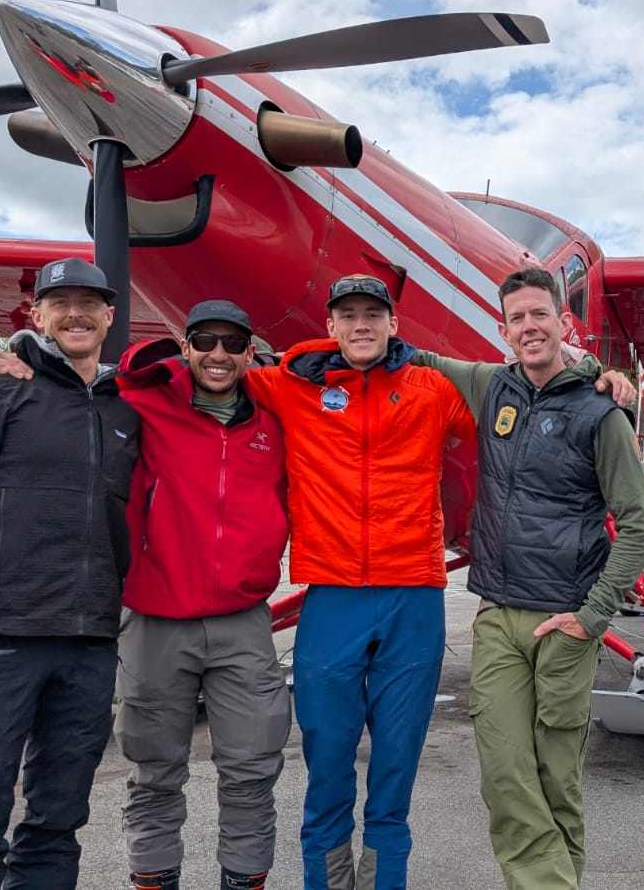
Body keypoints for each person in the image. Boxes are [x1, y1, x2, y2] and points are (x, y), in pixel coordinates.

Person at [0, 300, 293, 890]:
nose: (218, 354)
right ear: (186, 348)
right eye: (205, 341)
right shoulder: (141, 402)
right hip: (153, 620)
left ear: (251, 353)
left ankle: (243, 880)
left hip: (245, 622)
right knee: (153, 773)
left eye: (232, 343)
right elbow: (76, 381)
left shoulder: (275, 419)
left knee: (252, 770)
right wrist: (23, 352)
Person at [413, 267, 644, 889]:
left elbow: (637, 527)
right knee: (504, 772)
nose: (528, 327)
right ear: (503, 330)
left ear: (561, 322)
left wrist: (591, 617)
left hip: (566, 622)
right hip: (498, 615)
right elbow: (406, 353)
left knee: (557, 780)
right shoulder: (491, 386)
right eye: (516, 318)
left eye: (538, 315)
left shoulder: (601, 412)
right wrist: (280, 358)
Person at [240, 275, 475, 890]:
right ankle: (327, 881)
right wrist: (20, 355)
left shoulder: (433, 388)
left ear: (395, 324)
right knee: (327, 763)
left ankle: (383, 881)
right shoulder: (289, 386)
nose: (362, 325)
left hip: (413, 599)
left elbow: (518, 403)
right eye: (349, 315)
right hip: (331, 598)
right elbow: (198, 371)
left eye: (374, 313)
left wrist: (595, 377)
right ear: (331, 325)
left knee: (395, 766)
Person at [0, 257, 139, 889]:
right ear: (35, 315)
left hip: (90, 644)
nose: (76, 313)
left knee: (57, 821)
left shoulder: (127, 409)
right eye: (59, 302)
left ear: (109, 316)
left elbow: (206, 375)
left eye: (90, 303)